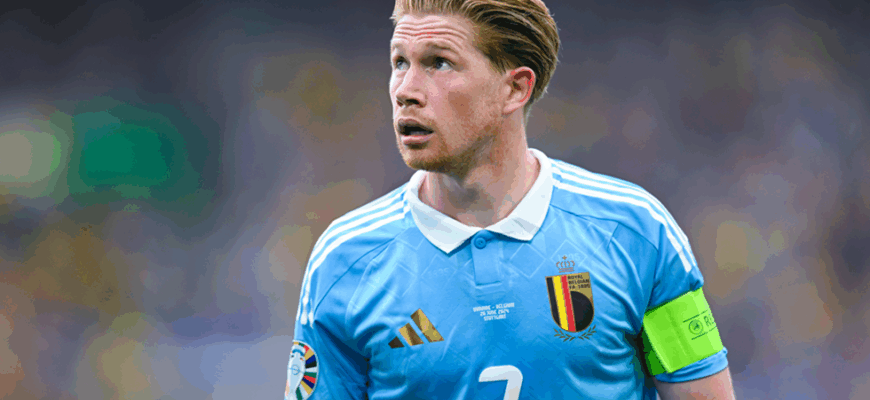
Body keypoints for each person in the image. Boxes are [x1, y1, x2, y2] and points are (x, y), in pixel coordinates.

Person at [285, 0, 736, 399]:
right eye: (400, 62)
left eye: (439, 63)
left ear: (515, 88)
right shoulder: (344, 260)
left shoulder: (637, 232)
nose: (406, 90)